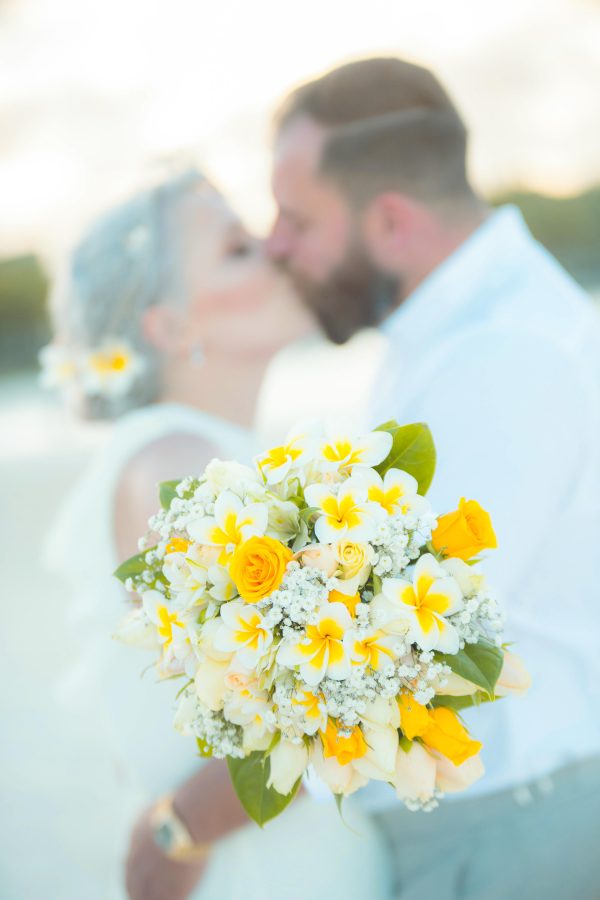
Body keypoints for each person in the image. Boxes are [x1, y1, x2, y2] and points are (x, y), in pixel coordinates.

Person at [266, 57, 600, 899]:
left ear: (390, 221)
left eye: (296, 219)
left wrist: (191, 818)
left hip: (502, 834)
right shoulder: (458, 334)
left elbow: (407, 639)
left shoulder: (504, 355)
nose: (275, 246)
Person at [44, 169, 391, 900]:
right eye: (238, 248)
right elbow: (319, 712)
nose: (277, 248)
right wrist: (178, 832)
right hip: (261, 867)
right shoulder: (176, 468)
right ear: (170, 327)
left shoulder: (182, 455)